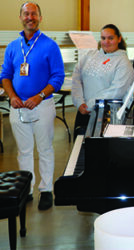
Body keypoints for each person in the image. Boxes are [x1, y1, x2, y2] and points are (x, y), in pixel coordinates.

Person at [0, 1, 65, 210]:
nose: (30, 17)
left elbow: (58, 77)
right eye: (26, 14)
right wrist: (11, 96)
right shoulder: (12, 46)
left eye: (34, 14)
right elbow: (5, 76)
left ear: (40, 18)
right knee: (24, 151)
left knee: (45, 149)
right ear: (20, 17)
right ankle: (26, 189)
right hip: (17, 107)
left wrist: (39, 96)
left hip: (42, 105)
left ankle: (46, 190)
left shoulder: (50, 45)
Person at [71, 24, 134, 137]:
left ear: (119, 39)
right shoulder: (90, 55)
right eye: (103, 38)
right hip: (83, 111)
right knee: (81, 149)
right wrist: (79, 102)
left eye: (111, 38)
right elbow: (76, 78)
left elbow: (116, 91)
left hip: (106, 115)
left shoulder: (123, 63)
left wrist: (89, 105)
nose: (106, 42)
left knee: (100, 151)